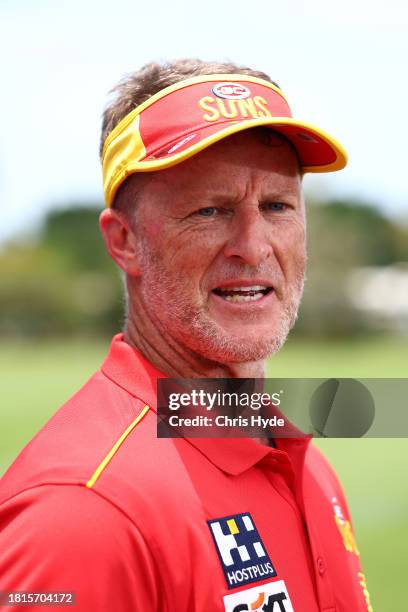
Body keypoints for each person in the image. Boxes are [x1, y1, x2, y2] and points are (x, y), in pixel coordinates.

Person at [0, 60, 373, 611]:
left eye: (277, 206)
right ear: (124, 240)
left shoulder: (303, 464)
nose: (254, 245)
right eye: (209, 210)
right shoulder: (83, 512)